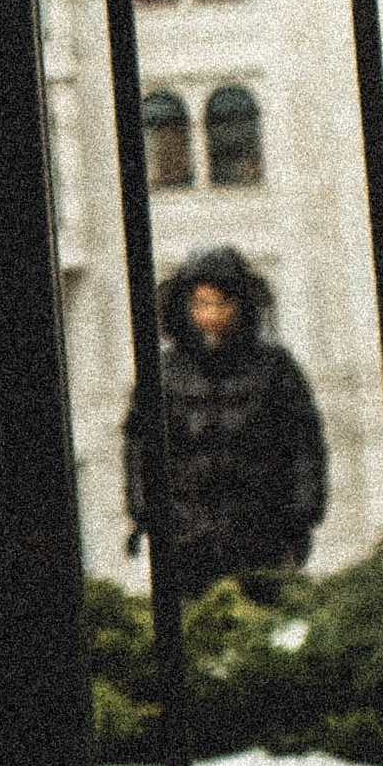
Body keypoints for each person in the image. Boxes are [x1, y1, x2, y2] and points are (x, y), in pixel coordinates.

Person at [123, 247, 327, 598]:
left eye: (222, 303)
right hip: (186, 536)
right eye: (202, 304)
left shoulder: (275, 368)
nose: (212, 314)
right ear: (184, 308)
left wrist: (300, 517)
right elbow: (140, 446)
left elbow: (304, 446)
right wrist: (144, 514)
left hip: (261, 531)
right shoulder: (162, 374)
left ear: (241, 305)